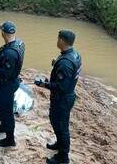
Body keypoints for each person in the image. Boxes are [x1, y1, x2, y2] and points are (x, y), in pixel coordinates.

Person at [35, 30, 82, 164]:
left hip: (62, 99)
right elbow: (71, 72)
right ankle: (59, 144)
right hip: (67, 96)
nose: (57, 40)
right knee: (57, 123)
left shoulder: (65, 62)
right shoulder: (75, 55)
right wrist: (57, 63)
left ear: (61, 41)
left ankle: (63, 157)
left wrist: (44, 84)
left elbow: (61, 86)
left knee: (62, 127)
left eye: (58, 38)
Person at [0, 21, 25, 147]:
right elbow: (8, 63)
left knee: (6, 112)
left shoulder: (10, 53)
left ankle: (10, 139)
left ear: (3, 33)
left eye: (1, 31)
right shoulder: (19, 43)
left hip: (7, 85)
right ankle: (3, 126)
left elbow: (5, 73)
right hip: (9, 82)